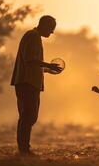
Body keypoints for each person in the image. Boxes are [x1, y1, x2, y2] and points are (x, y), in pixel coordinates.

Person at [10, 15, 62, 155]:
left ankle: (24, 148)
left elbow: (32, 64)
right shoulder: (32, 36)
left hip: (28, 82)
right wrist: (48, 64)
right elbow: (30, 59)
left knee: (28, 116)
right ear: (44, 25)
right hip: (27, 83)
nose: (52, 32)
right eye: (51, 29)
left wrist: (47, 70)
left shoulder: (33, 36)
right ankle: (24, 149)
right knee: (28, 116)